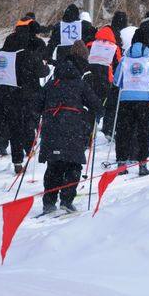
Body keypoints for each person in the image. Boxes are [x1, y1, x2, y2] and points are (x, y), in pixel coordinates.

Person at [33, 52, 102, 215]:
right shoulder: (80, 84)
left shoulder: (51, 84)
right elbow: (97, 106)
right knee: (73, 163)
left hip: (52, 130)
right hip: (73, 130)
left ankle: (49, 202)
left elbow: (36, 105)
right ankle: (66, 200)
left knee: (54, 165)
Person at [0, 30, 48, 175]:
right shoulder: (24, 55)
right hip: (15, 97)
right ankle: (18, 162)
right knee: (16, 130)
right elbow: (42, 71)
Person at [112, 42, 149, 176]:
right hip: (144, 100)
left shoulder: (124, 60)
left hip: (126, 99)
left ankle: (121, 163)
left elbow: (117, 81)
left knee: (123, 131)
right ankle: (142, 164)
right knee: (143, 132)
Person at [87, 27, 122, 137]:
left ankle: (89, 129)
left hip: (90, 78)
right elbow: (118, 64)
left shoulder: (90, 45)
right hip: (106, 79)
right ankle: (108, 129)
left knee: (91, 104)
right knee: (110, 105)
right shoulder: (114, 47)